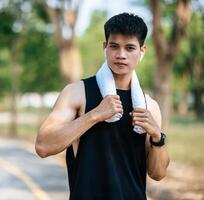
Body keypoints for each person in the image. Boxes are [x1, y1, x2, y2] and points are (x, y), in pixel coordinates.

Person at [35, 12, 170, 199]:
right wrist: (94, 115)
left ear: (142, 51)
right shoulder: (77, 92)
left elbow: (158, 174)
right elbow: (43, 146)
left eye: (130, 48)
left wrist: (157, 136)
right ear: (105, 47)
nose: (121, 55)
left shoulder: (149, 106)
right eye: (114, 46)